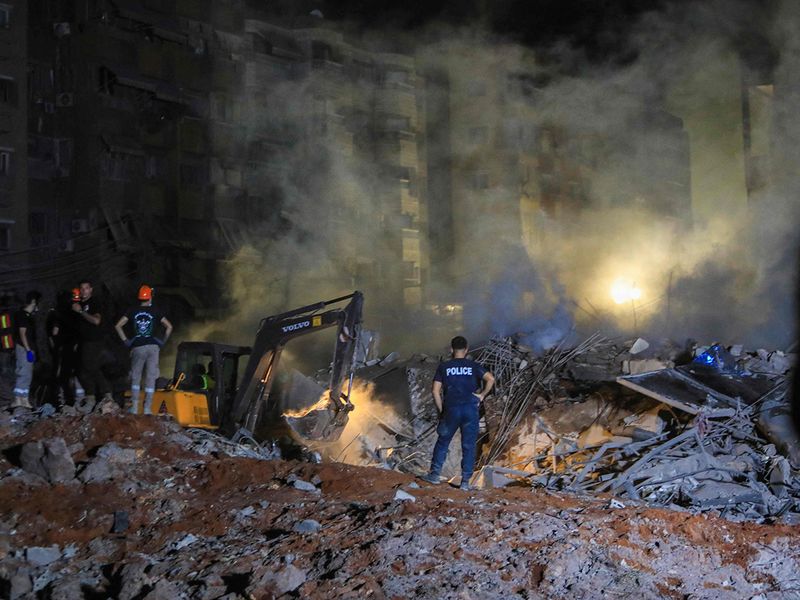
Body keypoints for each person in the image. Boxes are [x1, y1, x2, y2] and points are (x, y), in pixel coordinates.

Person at [421, 336, 495, 491]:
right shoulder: (473, 366)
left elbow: (435, 391)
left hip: (451, 409)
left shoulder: (444, 367)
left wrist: (441, 410)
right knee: (468, 445)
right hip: (470, 410)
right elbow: (491, 379)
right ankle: (465, 483)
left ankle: (434, 475)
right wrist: (481, 395)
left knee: (443, 441)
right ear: (466, 350)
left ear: (451, 349)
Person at [114, 285, 172, 414]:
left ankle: (134, 407)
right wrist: (162, 342)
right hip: (153, 347)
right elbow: (169, 326)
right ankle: (147, 408)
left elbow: (118, 325)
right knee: (151, 377)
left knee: (136, 377)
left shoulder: (132, 310)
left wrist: (126, 341)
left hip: (137, 347)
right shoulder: (156, 310)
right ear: (150, 296)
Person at [72, 279, 112, 404]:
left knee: (91, 367)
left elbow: (96, 321)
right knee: (83, 370)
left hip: (94, 340)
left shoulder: (94, 302)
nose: (84, 291)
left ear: (91, 289)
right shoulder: (78, 305)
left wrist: (81, 312)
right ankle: (91, 397)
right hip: (83, 342)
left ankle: (106, 395)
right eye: (82, 288)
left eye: (86, 288)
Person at [12, 291, 42, 409]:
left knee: (27, 374)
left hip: (28, 348)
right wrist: (28, 350)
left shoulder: (29, 316)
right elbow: (22, 333)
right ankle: (19, 400)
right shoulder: (22, 315)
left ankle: (23, 399)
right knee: (24, 373)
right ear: (34, 302)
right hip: (24, 348)